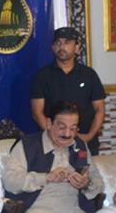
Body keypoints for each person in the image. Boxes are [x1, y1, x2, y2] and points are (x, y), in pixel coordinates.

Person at [30, 26, 106, 154]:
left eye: (67, 43)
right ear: (53, 48)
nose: (62, 47)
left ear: (76, 48)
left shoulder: (89, 75)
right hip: (53, 146)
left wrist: (89, 136)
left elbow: (100, 109)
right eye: (58, 43)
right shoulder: (42, 76)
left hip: (85, 143)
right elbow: (37, 113)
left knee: (85, 173)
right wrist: (54, 138)